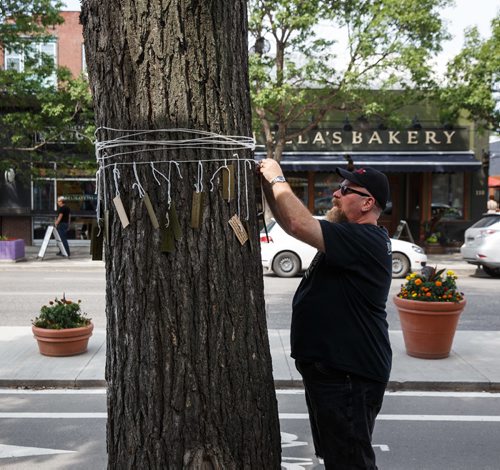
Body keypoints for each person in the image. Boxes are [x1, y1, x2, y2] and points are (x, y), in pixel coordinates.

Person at [259, 159, 392, 469]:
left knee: (350, 463)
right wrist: (268, 187)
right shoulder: (350, 235)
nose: (336, 194)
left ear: (367, 203)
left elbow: (299, 224)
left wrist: (277, 177)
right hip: (336, 372)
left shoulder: (364, 239)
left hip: (348, 375)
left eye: (345, 190)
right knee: (338, 459)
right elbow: (292, 225)